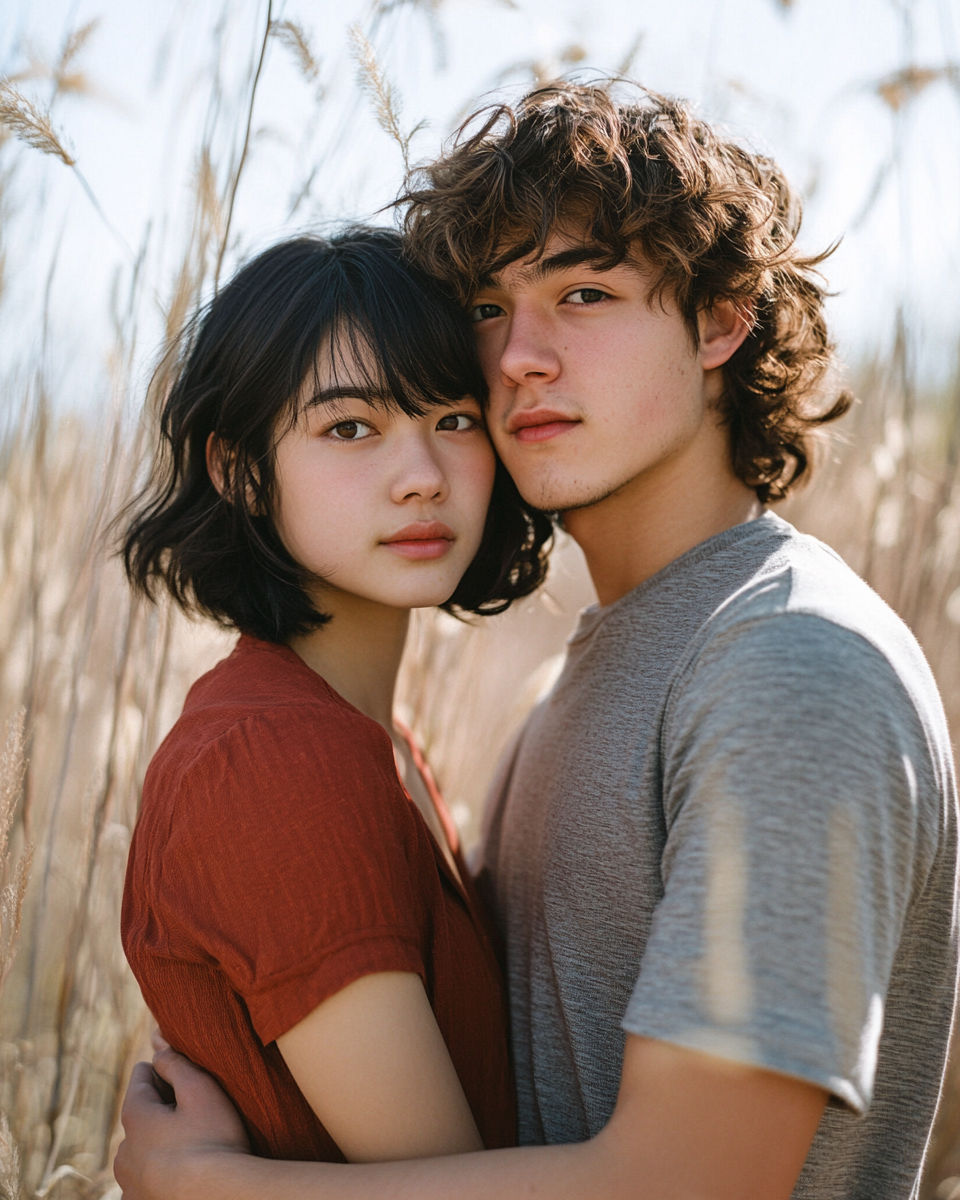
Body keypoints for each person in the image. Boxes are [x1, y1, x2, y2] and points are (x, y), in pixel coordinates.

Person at [115, 84, 958, 1200]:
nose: (517, 358)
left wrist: (224, 1191)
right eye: (486, 308)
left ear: (719, 320)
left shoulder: (788, 665)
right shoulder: (585, 675)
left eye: (585, 293)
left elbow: (694, 1182)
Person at [118, 228, 552, 1164]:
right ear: (236, 470)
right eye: (349, 427)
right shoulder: (273, 759)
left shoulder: (372, 739)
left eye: (455, 419)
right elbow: (436, 1184)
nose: (422, 479)